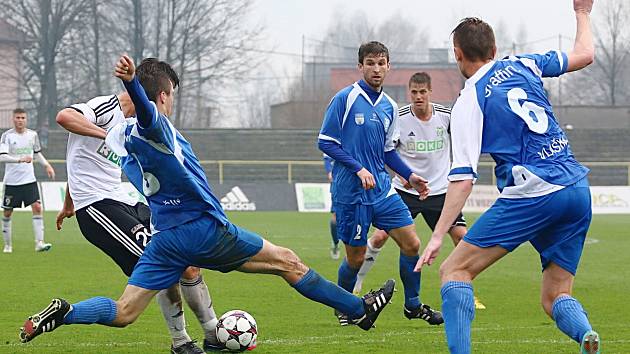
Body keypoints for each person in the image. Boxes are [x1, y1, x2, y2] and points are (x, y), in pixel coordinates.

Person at [19, 55, 396, 347]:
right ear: (164, 95)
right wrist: (133, 83)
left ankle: (67, 313)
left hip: (165, 238)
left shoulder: (122, 136)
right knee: (288, 261)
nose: (170, 104)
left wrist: (70, 196)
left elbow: (83, 155)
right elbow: (147, 113)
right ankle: (359, 309)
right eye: (171, 96)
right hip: (203, 229)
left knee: (124, 311)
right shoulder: (155, 127)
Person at [417, 1, 600, 353]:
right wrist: (582, 13)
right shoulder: (523, 63)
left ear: (457, 54)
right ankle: (586, 336)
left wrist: (438, 235)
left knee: (454, 272)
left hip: (534, 191)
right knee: (556, 295)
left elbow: (462, 179)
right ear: (495, 49)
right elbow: (585, 54)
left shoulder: (469, 101)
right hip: (576, 186)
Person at [55, 93, 222, 354]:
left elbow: (81, 161)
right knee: (162, 264)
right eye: (165, 99)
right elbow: (64, 117)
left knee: (187, 260)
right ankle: (181, 342)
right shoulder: (107, 107)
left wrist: (67, 202)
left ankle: (213, 333)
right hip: (99, 206)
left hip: (125, 200)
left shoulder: (134, 126)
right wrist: (108, 136)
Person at [318, 41, 442, 326]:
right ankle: (346, 308)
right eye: (370, 63)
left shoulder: (389, 106)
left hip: (383, 190)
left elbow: (388, 151)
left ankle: (412, 306)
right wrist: (358, 168)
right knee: (356, 258)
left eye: (381, 63)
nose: (376, 68)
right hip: (352, 192)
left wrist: (410, 175)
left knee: (412, 244)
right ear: (360, 66)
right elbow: (325, 141)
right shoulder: (345, 98)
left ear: (389, 66)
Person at [351, 72, 485, 310]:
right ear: (409, 93)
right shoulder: (399, 118)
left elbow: (466, 140)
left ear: (430, 92)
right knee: (380, 236)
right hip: (406, 191)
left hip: (440, 192)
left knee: (463, 239)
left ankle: (467, 291)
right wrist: (404, 176)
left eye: (423, 92)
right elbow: (384, 151)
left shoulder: (446, 116)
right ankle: (359, 280)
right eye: (414, 92)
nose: (418, 97)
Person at [0, 108, 55, 253]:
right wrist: (19, 159)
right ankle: (8, 245)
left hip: (29, 180)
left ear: (26, 119)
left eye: (23, 118)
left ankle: (39, 243)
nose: (20, 120)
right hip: (12, 181)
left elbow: (37, 154)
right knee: (7, 212)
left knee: (37, 207)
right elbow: (2, 156)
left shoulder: (32, 135)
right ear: (13, 119)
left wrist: (47, 165)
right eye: (17, 117)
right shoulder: (7, 136)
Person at [323, 153, 340, 259]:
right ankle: (335, 243)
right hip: (338, 182)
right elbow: (327, 158)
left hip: (356, 180)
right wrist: (329, 171)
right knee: (335, 218)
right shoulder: (333, 137)